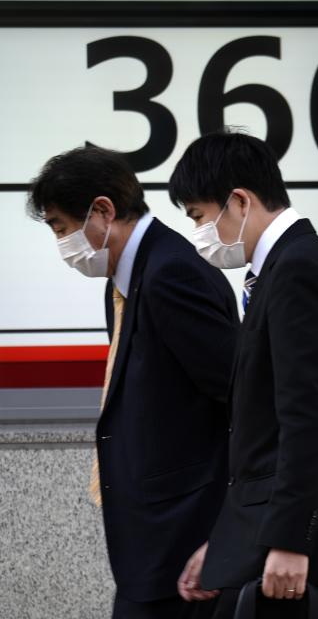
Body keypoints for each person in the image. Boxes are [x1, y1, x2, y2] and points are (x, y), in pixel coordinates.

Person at [168, 130, 318, 619]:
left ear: (239, 201)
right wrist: (226, 544)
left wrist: (289, 541)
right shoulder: (289, 267)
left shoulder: (298, 270)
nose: (198, 233)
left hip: (294, 552)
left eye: (199, 216)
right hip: (271, 538)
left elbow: (308, 418)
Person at [27, 147, 239, 618]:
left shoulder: (171, 273)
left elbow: (240, 397)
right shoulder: (127, 277)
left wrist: (226, 536)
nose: (62, 244)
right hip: (153, 542)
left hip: (185, 542)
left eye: (61, 228)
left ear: (102, 211)